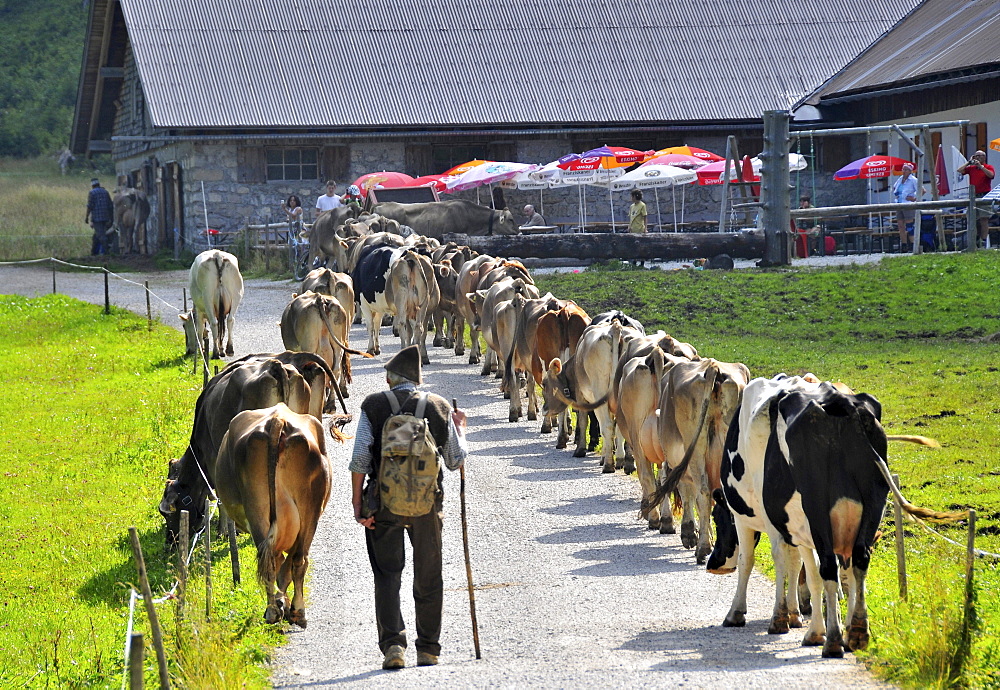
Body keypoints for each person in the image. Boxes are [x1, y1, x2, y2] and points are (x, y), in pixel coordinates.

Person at [350, 345, 468, 671]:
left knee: (387, 575)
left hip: (384, 505)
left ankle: (393, 648)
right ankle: (428, 649)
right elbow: (455, 461)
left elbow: (360, 458)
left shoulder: (373, 405)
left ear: (389, 378)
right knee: (429, 577)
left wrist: (359, 504)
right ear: (417, 379)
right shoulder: (439, 406)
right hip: (428, 507)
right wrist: (460, 429)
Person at [958, 150, 995, 247]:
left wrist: (981, 167)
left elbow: (991, 175)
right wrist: (968, 162)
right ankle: (974, 240)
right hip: (973, 196)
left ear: (984, 157)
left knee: (984, 219)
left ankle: (983, 240)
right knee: (972, 219)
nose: (977, 157)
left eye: (979, 156)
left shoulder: (988, 167)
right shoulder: (971, 168)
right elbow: (960, 170)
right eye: (976, 156)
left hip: (984, 195)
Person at [892, 163, 919, 252]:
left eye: (906, 170)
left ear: (910, 171)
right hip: (899, 203)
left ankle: (912, 244)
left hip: (908, 204)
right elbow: (895, 187)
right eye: (903, 169)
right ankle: (904, 245)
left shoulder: (913, 180)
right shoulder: (900, 179)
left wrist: (914, 197)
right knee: (900, 225)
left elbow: (922, 190)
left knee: (909, 225)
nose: (904, 171)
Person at [85, 178, 114, 256]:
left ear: (92, 185)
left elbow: (90, 206)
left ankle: (106, 253)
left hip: (97, 218)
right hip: (106, 217)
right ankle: (93, 253)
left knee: (101, 236)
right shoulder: (105, 192)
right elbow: (110, 205)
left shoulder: (92, 193)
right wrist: (111, 218)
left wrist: (87, 217)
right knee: (96, 235)